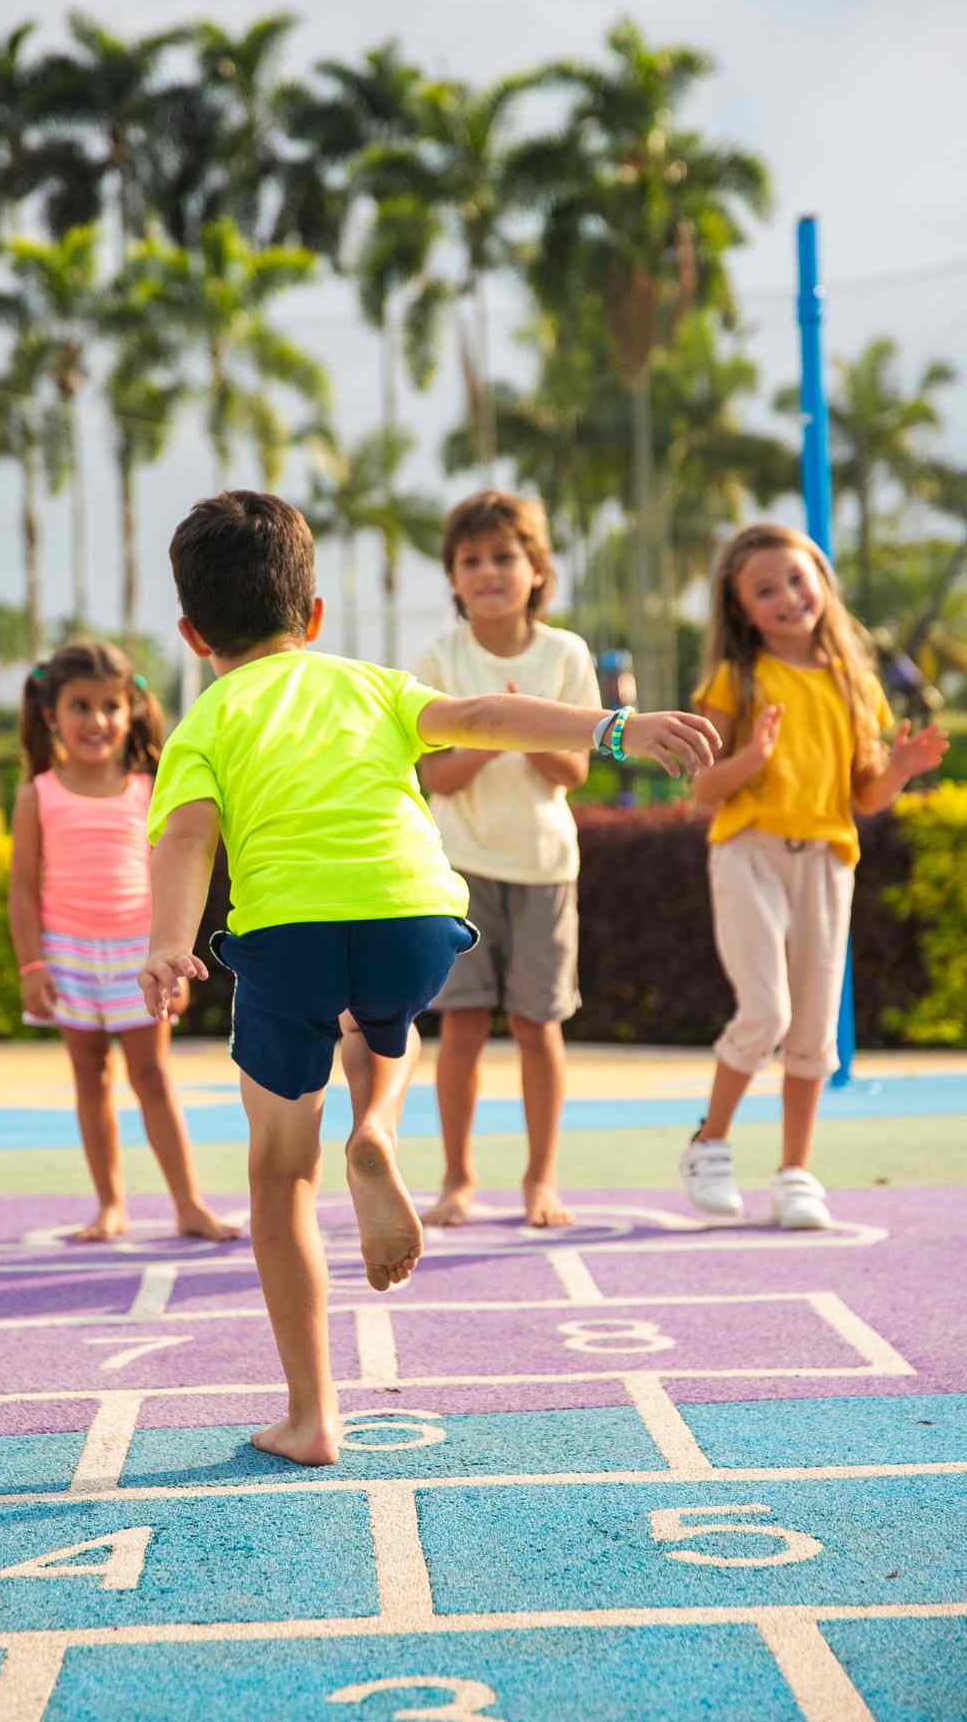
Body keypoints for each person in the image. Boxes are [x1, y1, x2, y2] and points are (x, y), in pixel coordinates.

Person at [139, 490, 719, 1465]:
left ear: (195, 633)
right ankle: (377, 1127)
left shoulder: (203, 725)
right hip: (414, 913)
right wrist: (617, 730)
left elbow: (190, 837)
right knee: (391, 1020)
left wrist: (167, 941)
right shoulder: (369, 683)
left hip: (289, 931)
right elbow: (488, 715)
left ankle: (313, 1416)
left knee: (280, 1174)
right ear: (314, 618)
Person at [685, 523, 948, 1229]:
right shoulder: (733, 679)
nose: (787, 597)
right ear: (741, 610)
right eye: (765, 590)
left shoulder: (855, 683)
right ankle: (710, 1143)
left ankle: (796, 1172)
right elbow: (704, 788)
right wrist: (753, 760)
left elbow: (865, 796)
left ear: (823, 585)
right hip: (749, 853)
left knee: (812, 1026)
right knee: (764, 1011)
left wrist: (899, 769)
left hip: (828, 861)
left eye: (798, 581)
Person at [7, 639, 237, 1246]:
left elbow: (176, 873)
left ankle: (189, 1204)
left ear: (131, 710)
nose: (96, 721)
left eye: (110, 706)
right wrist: (33, 965)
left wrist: (174, 959)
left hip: (141, 955)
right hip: (69, 958)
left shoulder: (149, 787)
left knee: (153, 1077)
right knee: (90, 1079)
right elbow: (23, 890)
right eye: (80, 706)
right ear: (52, 713)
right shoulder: (38, 794)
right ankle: (110, 1206)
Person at [414, 489, 600, 1229]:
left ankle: (539, 1181)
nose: (488, 571)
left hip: (545, 867)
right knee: (460, 1026)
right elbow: (434, 775)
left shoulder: (566, 654)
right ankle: (458, 1178)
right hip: (457, 868)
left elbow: (575, 772)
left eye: (504, 557)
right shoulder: (439, 658)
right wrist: (487, 727)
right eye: (471, 560)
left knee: (537, 1025)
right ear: (453, 578)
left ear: (536, 569)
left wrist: (528, 728)